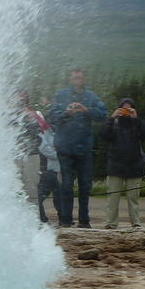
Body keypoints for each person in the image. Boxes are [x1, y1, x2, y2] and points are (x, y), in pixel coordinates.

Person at [48, 69, 107, 228]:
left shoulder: (91, 96)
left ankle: (84, 220)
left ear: (84, 78)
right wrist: (67, 113)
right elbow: (52, 117)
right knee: (66, 185)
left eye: (80, 77)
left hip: (85, 147)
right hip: (65, 147)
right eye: (74, 77)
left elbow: (103, 115)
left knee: (85, 185)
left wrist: (86, 110)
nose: (77, 80)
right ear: (70, 78)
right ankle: (66, 219)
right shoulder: (60, 95)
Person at [100, 97, 145, 230]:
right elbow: (103, 134)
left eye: (129, 109)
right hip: (115, 165)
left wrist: (136, 119)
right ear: (119, 109)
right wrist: (112, 118)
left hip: (134, 165)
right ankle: (111, 223)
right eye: (124, 109)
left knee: (133, 198)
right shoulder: (115, 123)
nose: (126, 112)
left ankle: (136, 223)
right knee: (113, 197)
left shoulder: (137, 124)